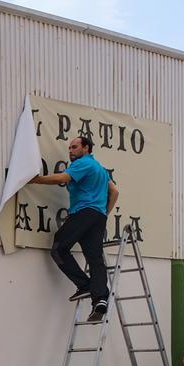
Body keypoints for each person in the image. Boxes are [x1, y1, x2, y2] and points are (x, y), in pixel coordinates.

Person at [29, 135, 120, 322]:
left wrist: (35, 180)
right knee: (95, 258)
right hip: (97, 216)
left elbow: (62, 177)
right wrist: (103, 213)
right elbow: (115, 192)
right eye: (69, 148)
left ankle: (85, 285)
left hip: (83, 212)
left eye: (74, 147)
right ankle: (100, 299)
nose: (70, 151)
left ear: (86, 148)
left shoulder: (83, 163)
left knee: (59, 248)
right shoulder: (100, 169)